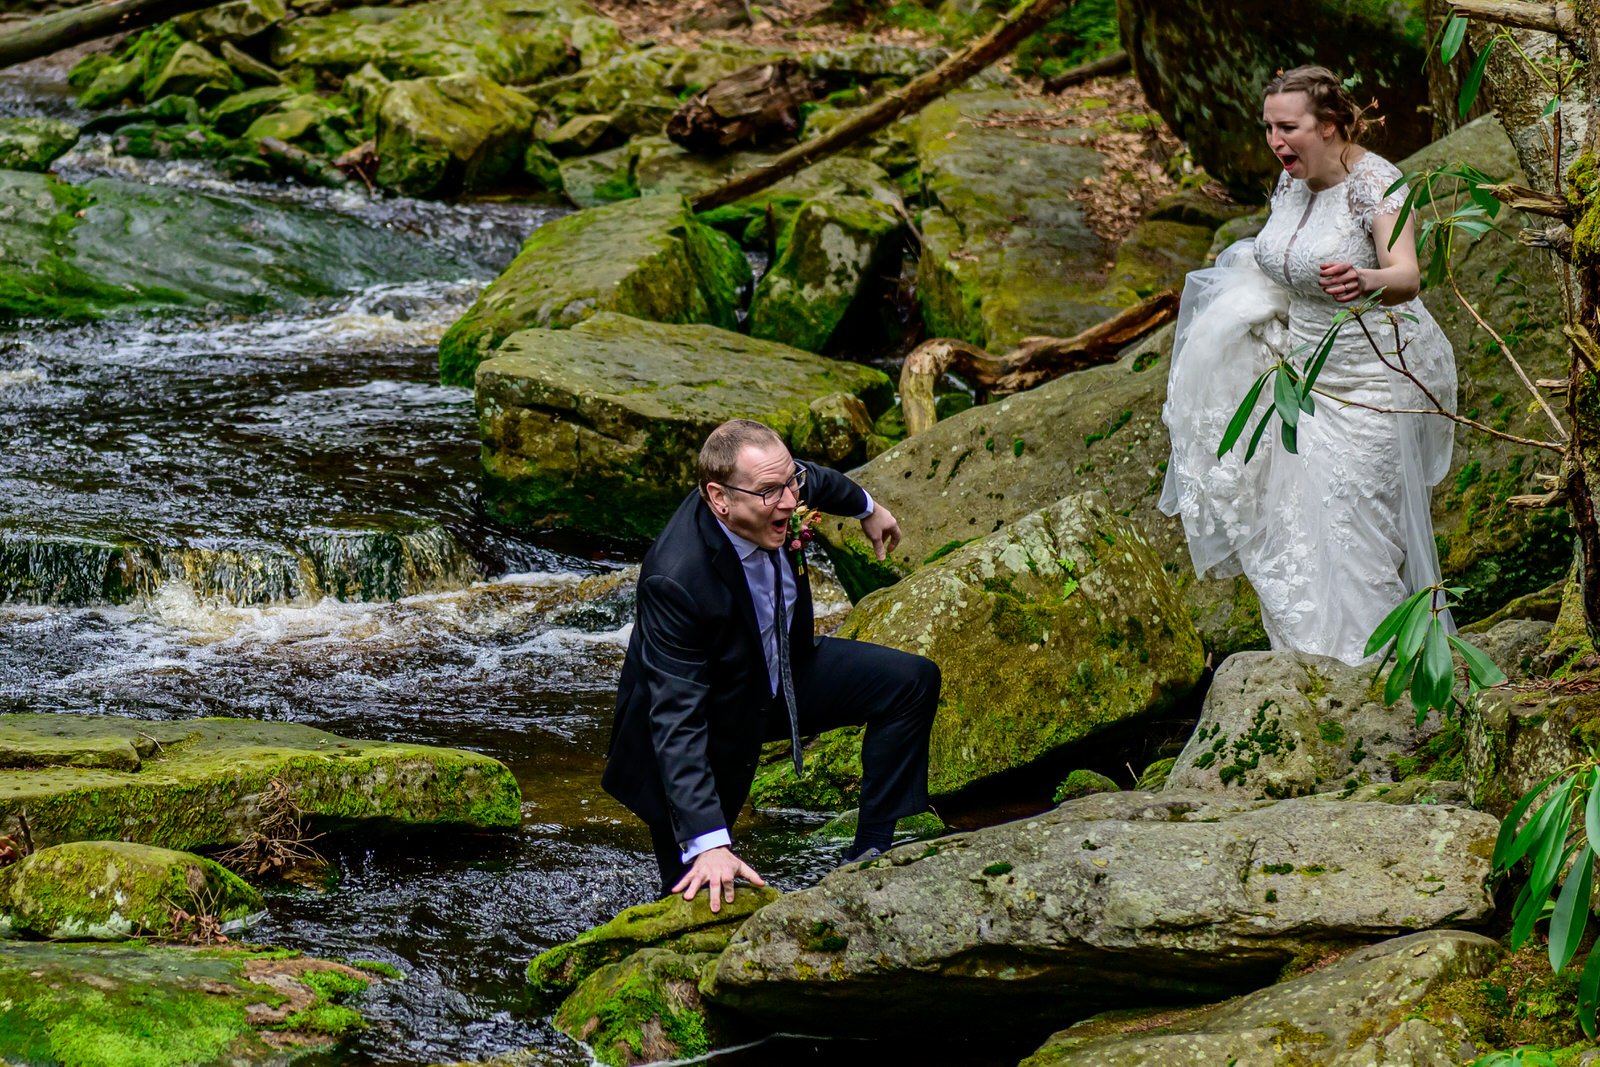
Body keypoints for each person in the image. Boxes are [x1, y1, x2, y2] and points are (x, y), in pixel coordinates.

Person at [1158, 65, 1457, 665]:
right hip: (1300, 381)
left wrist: (1367, 278)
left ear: (1330, 125)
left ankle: (1373, 675)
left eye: (1287, 127)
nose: (1274, 141)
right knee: (1297, 530)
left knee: (1357, 532)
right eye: (1268, 127)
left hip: (1374, 378)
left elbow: (1407, 276)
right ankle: (1312, 667)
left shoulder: (1376, 184)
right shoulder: (1290, 182)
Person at [603, 418, 941, 909]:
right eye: (770, 492)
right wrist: (710, 841)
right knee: (701, 893)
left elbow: (816, 480)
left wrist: (869, 508)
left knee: (911, 682)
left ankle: (870, 850)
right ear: (720, 498)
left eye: (790, 484)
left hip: (782, 674)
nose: (789, 501)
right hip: (702, 720)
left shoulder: (778, 488)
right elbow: (676, 715)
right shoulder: (675, 578)